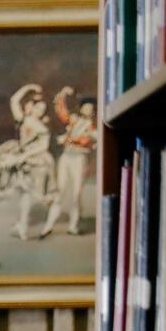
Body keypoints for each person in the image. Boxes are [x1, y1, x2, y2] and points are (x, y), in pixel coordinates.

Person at [5, 83, 56, 241]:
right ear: (31, 107)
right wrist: (28, 87)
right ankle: (23, 225)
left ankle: (26, 225)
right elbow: (14, 100)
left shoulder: (42, 128)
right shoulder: (23, 119)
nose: (39, 111)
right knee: (25, 194)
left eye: (42, 109)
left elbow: (43, 146)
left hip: (38, 161)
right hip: (26, 161)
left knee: (36, 194)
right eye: (37, 108)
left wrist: (24, 156)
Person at [43, 86, 96, 237]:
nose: (88, 110)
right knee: (59, 190)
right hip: (66, 157)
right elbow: (61, 111)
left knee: (76, 193)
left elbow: (86, 141)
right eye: (85, 108)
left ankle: (73, 225)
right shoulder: (74, 120)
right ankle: (49, 225)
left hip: (79, 159)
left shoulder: (92, 127)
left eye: (90, 108)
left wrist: (68, 139)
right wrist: (63, 94)